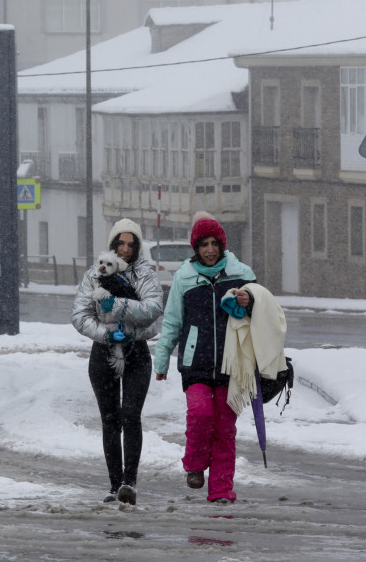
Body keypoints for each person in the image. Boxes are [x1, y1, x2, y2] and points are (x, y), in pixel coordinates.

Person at [153, 213, 256, 504]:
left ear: (222, 246)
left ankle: (222, 490)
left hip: (232, 365)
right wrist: (161, 361)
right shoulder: (184, 279)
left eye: (214, 244)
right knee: (200, 415)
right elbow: (172, 322)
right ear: (195, 248)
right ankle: (195, 465)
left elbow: (263, 313)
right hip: (195, 365)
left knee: (225, 429)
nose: (210, 250)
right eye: (203, 245)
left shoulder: (242, 274)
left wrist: (252, 302)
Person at [71, 218, 164, 505]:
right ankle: (114, 486)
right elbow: (80, 315)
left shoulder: (146, 275)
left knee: (131, 415)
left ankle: (129, 483)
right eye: (120, 243)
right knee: (110, 420)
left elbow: (153, 312)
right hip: (103, 352)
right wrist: (106, 334)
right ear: (112, 244)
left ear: (137, 247)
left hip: (136, 353)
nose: (124, 249)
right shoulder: (94, 274)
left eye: (130, 244)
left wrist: (122, 311)